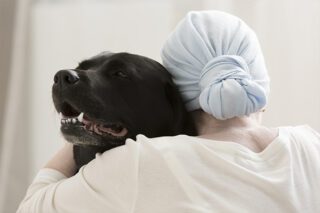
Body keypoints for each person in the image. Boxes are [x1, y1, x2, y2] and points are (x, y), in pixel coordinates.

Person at [17, 11, 320, 213]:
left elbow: (31, 207)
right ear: (261, 92)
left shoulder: (147, 161)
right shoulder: (310, 145)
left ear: (179, 95)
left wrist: (83, 128)